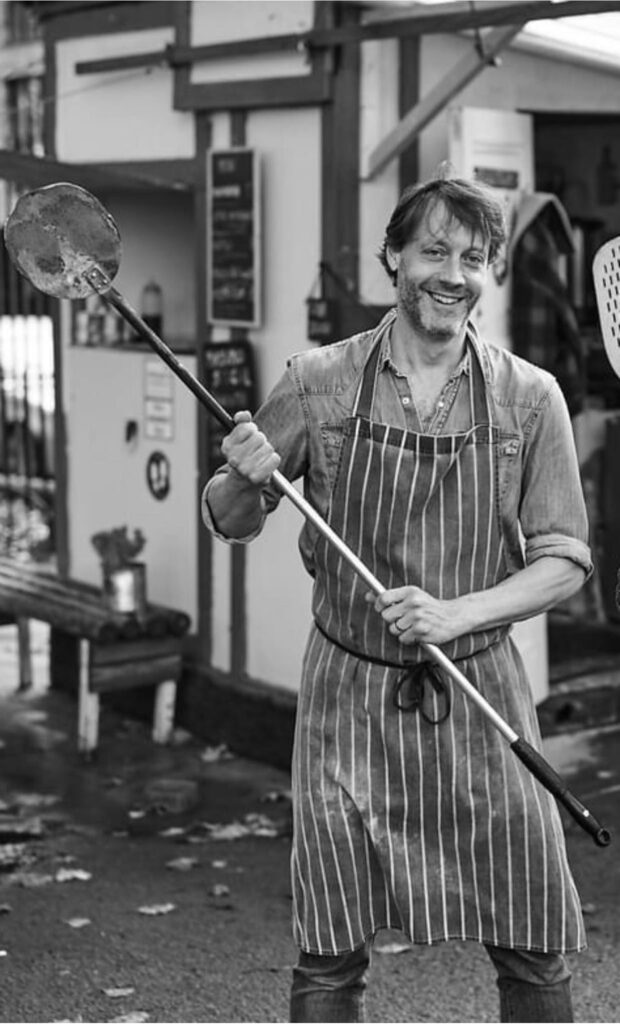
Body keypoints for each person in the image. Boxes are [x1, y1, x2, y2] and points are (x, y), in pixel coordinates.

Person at [201, 174, 592, 1024]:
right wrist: (241, 476)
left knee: (535, 941)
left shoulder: (530, 398)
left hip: (480, 692)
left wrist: (458, 614)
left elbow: (565, 560)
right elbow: (231, 519)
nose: (453, 274)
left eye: (472, 258)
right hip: (348, 700)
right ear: (393, 257)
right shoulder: (318, 382)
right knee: (329, 953)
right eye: (433, 251)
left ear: (489, 271)